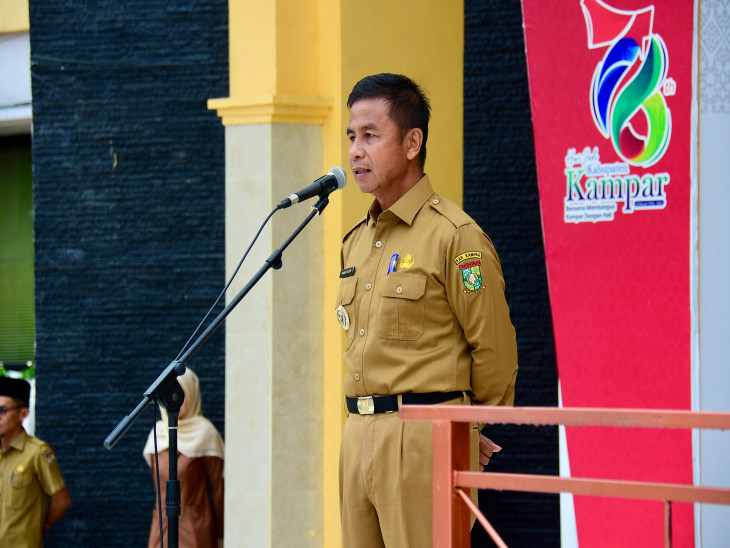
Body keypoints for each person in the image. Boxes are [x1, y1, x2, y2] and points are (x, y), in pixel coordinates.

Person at [336, 73, 519, 548]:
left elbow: (494, 350)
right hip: (356, 433)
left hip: (422, 440)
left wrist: (466, 430)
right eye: (352, 137)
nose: (355, 151)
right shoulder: (355, 242)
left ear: (412, 143)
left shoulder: (455, 237)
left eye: (370, 136)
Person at [143, 368, 225, 548]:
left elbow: (220, 490)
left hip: (195, 531)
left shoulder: (205, 434)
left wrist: (221, 534)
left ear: (192, 393)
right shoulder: (158, 434)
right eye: (169, 392)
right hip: (161, 529)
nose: (174, 398)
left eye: (180, 392)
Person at [0, 376, 71, 547]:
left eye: (2, 410)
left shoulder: (37, 452)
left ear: (23, 414)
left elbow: (62, 501)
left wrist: (43, 524)